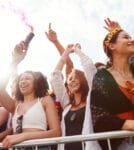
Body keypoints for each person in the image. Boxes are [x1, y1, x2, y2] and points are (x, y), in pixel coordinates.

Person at [0, 41, 61, 149]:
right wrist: (14, 62)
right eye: (21, 79)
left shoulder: (44, 100)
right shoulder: (16, 104)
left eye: (28, 78)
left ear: (36, 83)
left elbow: (56, 132)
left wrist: (24, 136)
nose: (23, 81)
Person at [90, 18, 134, 150]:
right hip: (123, 143)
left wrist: (120, 32)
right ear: (112, 46)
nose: (132, 39)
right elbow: (98, 118)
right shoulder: (102, 77)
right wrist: (128, 124)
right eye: (126, 37)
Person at [50, 43, 101, 150]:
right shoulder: (67, 104)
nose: (72, 81)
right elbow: (55, 76)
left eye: (76, 77)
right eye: (70, 79)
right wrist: (66, 53)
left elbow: (90, 69)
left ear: (84, 80)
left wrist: (78, 51)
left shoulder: (92, 101)